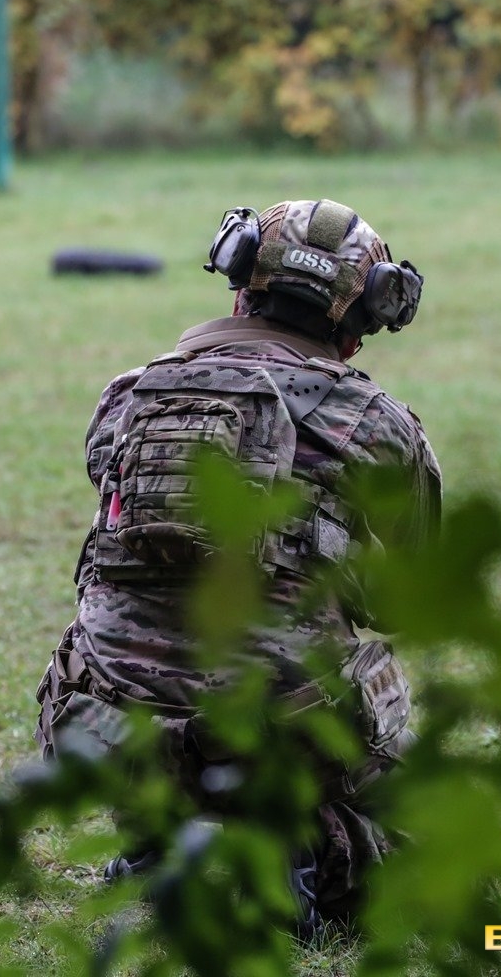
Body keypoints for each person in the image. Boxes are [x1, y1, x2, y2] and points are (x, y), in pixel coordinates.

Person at [35, 198, 441, 931]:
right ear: (364, 321)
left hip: (108, 731)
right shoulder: (378, 424)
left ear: (239, 283)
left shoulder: (128, 397)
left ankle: (156, 836)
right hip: (278, 740)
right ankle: (307, 855)